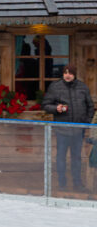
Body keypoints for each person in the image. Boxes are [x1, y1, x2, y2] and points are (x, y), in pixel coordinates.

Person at [42, 63, 94, 192]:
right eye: (65, 73)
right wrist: (56, 108)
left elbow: (90, 107)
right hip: (62, 130)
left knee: (76, 158)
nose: (67, 75)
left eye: (70, 73)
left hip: (78, 130)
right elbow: (45, 105)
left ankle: (77, 184)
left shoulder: (83, 87)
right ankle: (62, 184)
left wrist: (86, 123)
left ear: (74, 74)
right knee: (61, 157)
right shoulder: (55, 87)